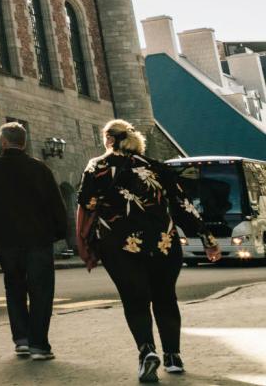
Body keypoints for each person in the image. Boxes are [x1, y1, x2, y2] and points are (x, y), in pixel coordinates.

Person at [77, 118, 221, 382]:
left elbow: (86, 205)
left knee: (135, 300)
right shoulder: (157, 167)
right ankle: (173, 357)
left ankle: (147, 352)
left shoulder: (97, 166)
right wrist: (207, 238)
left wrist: (84, 245)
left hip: (121, 246)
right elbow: (183, 206)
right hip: (163, 244)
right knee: (165, 298)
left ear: (109, 140)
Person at [0, 121, 67, 362]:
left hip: (5, 241)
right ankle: (39, 345)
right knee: (41, 290)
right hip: (38, 239)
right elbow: (57, 205)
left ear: (3, 141)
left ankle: (21, 339)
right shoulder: (40, 169)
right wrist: (58, 233)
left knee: (14, 288)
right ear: (24, 142)